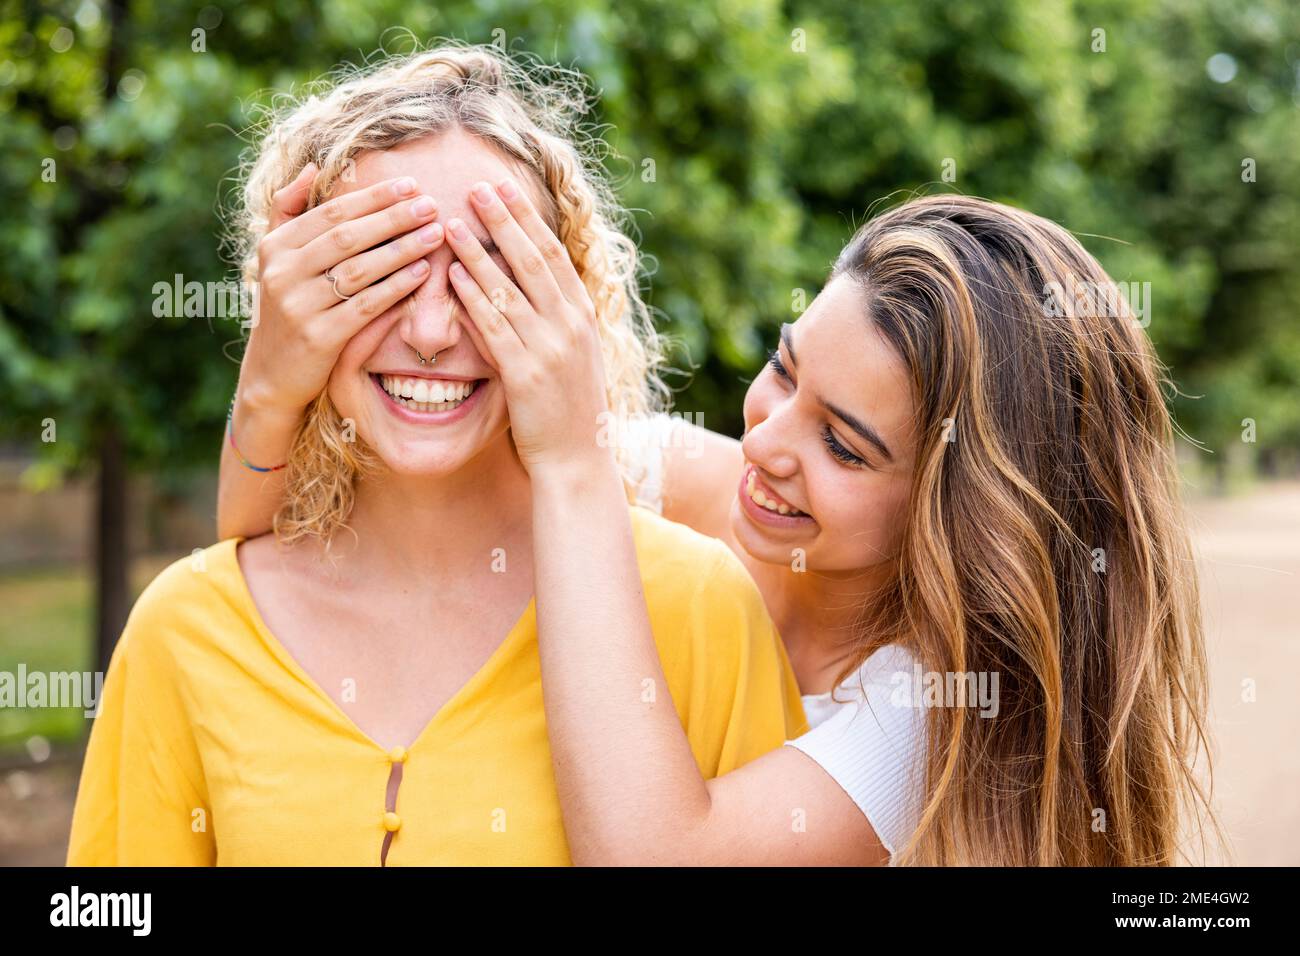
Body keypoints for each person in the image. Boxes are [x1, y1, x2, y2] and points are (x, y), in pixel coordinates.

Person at [65, 44, 805, 867]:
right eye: (382, 269)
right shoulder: (183, 630)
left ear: (565, 307)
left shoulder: (700, 612)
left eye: (486, 274)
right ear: (297, 298)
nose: (429, 332)